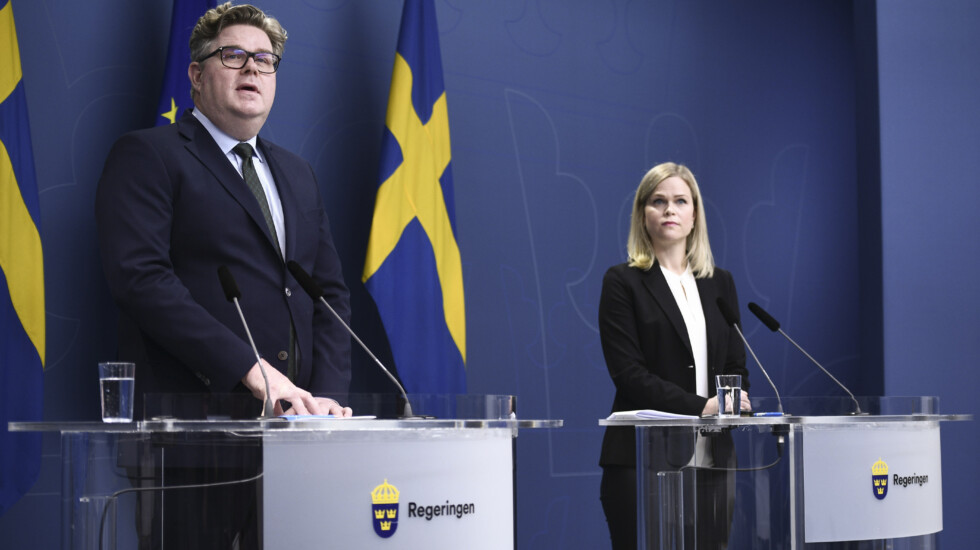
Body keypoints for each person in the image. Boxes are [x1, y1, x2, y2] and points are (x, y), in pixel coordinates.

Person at [95, 4, 351, 547]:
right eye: (233, 56)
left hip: (294, 440)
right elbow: (141, 279)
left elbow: (327, 295)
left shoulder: (298, 174)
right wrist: (249, 369)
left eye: (265, 59)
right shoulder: (149, 155)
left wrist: (323, 402)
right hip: (191, 437)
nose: (252, 68)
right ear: (196, 74)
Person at [597, 162, 751, 549]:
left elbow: (735, 364)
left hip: (713, 459)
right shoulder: (622, 282)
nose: (670, 209)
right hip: (642, 461)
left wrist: (735, 400)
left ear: (694, 215)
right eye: (658, 201)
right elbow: (629, 375)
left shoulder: (720, 282)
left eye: (681, 201)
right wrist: (703, 407)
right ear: (642, 214)